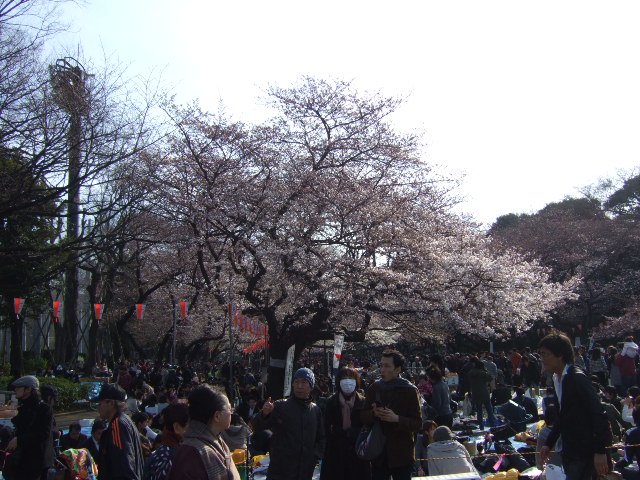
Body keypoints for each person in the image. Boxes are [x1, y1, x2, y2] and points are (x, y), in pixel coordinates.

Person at [538, 331, 612, 479]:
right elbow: (563, 415)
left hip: (585, 449)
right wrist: (549, 442)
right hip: (571, 447)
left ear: (560, 355)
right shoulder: (558, 379)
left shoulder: (576, 378)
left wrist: (600, 450)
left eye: (545, 354)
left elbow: (598, 413)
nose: (542, 359)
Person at [252, 368, 325, 480]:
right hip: (280, 471)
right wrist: (264, 414)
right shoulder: (281, 406)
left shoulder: (315, 411)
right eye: (296, 382)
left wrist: (313, 456)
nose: (299, 386)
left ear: (311, 386)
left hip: (305, 471)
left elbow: (321, 438)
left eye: (304, 382)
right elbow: (257, 426)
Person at [361, 350, 422, 480]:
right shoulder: (374, 388)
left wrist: (397, 419)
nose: (382, 369)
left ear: (398, 369)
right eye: (381, 365)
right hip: (378, 452)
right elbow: (363, 416)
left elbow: (417, 423)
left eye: (387, 366)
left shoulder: (410, 390)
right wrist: (373, 413)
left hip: (402, 454)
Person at [168, 385, 240, 480]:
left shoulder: (215, 441)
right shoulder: (191, 453)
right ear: (217, 416)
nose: (231, 413)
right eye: (229, 409)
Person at [320, 367, 371, 480]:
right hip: (335, 454)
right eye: (344, 378)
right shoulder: (331, 402)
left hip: (357, 454)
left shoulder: (363, 402)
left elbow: (367, 427)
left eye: (351, 378)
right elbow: (326, 428)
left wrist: (351, 433)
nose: (347, 381)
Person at [3, 375, 55, 480]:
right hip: (22, 460)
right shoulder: (22, 409)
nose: (15, 390)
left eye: (19, 387)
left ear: (29, 389)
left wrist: (19, 439)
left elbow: (43, 433)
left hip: (37, 461)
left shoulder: (44, 409)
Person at [93, 383, 145, 480]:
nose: (98, 407)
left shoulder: (117, 425)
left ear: (112, 403)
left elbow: (123, 467)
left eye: (100, 403)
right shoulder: (126, 420)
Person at [143, 403, 189, 480]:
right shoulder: (167, 459)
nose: (193, 430)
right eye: (189, 425)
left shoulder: (166, 452)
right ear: (177, 427)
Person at [467, 357, 497, 428]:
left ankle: (481, 426)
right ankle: (492, 425)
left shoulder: (470, 373)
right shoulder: (482, 373)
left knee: (479, 411)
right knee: (489, 410)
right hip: (484, 393)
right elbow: (490, 377)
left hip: (475, 393)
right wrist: (485, 370)